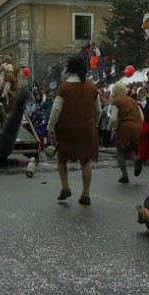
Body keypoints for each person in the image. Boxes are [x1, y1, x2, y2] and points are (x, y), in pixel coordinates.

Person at [46, 56, 101, 206]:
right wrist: (94, 124)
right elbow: (99, 110)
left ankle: (65, 187)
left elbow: (56, 109)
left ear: (70, 69)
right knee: (85, 161)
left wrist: (50, 127)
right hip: (87, 129)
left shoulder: (64, 87)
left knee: (62, 159)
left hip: (68, 129)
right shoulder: (92, 87)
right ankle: (85, 194)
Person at [108, 82, 143, 183]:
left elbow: (113, 118)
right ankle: (136, 159)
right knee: (127, 151)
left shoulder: (117, 101)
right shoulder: (133, 101)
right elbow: (142, 117)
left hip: (125, 127)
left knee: (119, 151)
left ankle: (125, 175)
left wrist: (109, 128)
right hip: (137, 127)